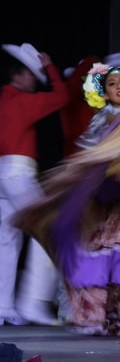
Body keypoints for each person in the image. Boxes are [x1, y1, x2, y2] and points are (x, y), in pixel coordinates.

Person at [15, 63, 120, 335]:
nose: (119, 87)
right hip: (114, 203)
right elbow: (93, 159)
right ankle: (115, 319)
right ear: (105, 93)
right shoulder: (104, 122)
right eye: (111, 84)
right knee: (109, 252)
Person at [0, 43, 69, 326]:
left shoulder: (3, 101)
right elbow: (62, 96)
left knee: (6, 241)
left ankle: (3, 307)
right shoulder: (21, 101)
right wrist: (51, 67)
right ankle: (32, 303)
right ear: (18, 76)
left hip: (2, 174)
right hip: (17, 173)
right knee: (50, 231)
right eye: (32, 75)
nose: (35, 81)